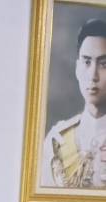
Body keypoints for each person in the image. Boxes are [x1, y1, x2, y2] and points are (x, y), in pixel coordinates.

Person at [40, 18, 106, 188]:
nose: (93, 76)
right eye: (87, 62)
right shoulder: (56, 142)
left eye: (103, 64)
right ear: (77, 68)